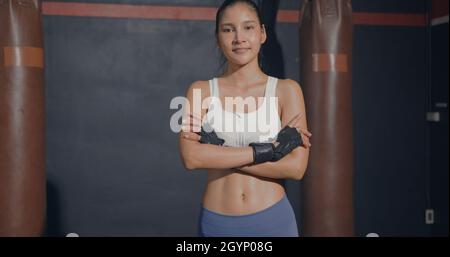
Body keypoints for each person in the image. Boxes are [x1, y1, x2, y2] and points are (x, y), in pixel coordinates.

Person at [178, 0, 311, 237]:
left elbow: (295, 167)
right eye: (228, 29)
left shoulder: (287, 90)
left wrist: (218, 151)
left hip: (273, 220)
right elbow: (192, 158)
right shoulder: (200, 91)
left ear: (262, 34)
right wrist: (270, 150)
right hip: (217, 223)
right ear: (217, 38)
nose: (239, 37)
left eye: (248, 28)